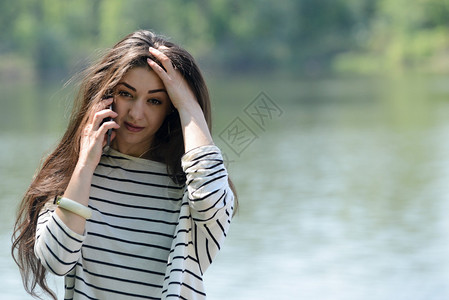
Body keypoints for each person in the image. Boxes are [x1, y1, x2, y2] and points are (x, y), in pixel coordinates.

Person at [11, 30, 236, 300]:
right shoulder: (74, 174)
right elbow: (56, 260)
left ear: (170, 108)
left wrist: (189, 104)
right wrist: (85, 163)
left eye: (155, 100)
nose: (136, 113)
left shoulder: (191, 185)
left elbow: (212, 201)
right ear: (107, 94)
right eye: (127, 94)